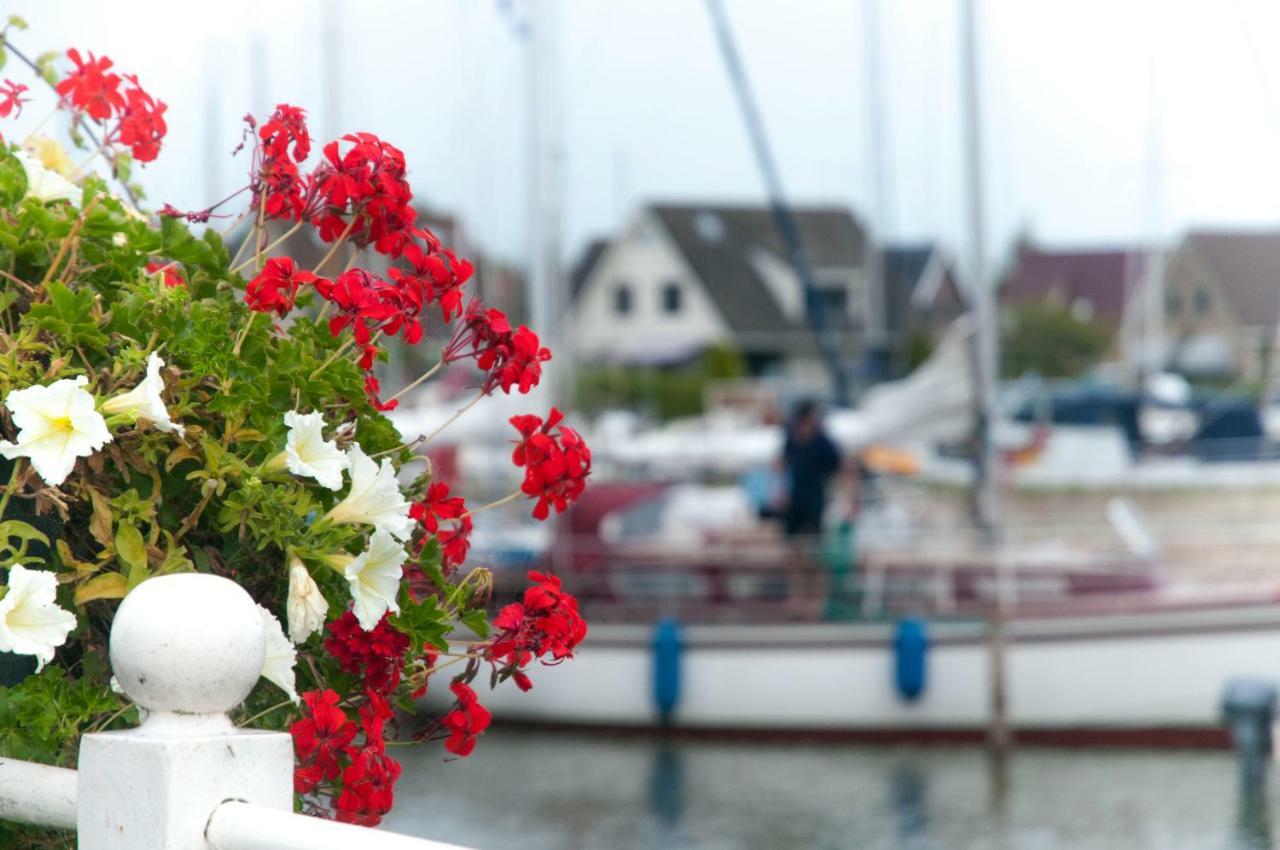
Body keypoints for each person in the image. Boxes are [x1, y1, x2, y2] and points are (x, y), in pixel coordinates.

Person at [780, 400, 842, 617]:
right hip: (797, 502)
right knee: (794, 553)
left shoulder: (823, 442)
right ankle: (798, 598)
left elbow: (838, 467)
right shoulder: (792, 439)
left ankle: (817, 601)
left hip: (815, 503)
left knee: (817, 554)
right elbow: (783, 465)